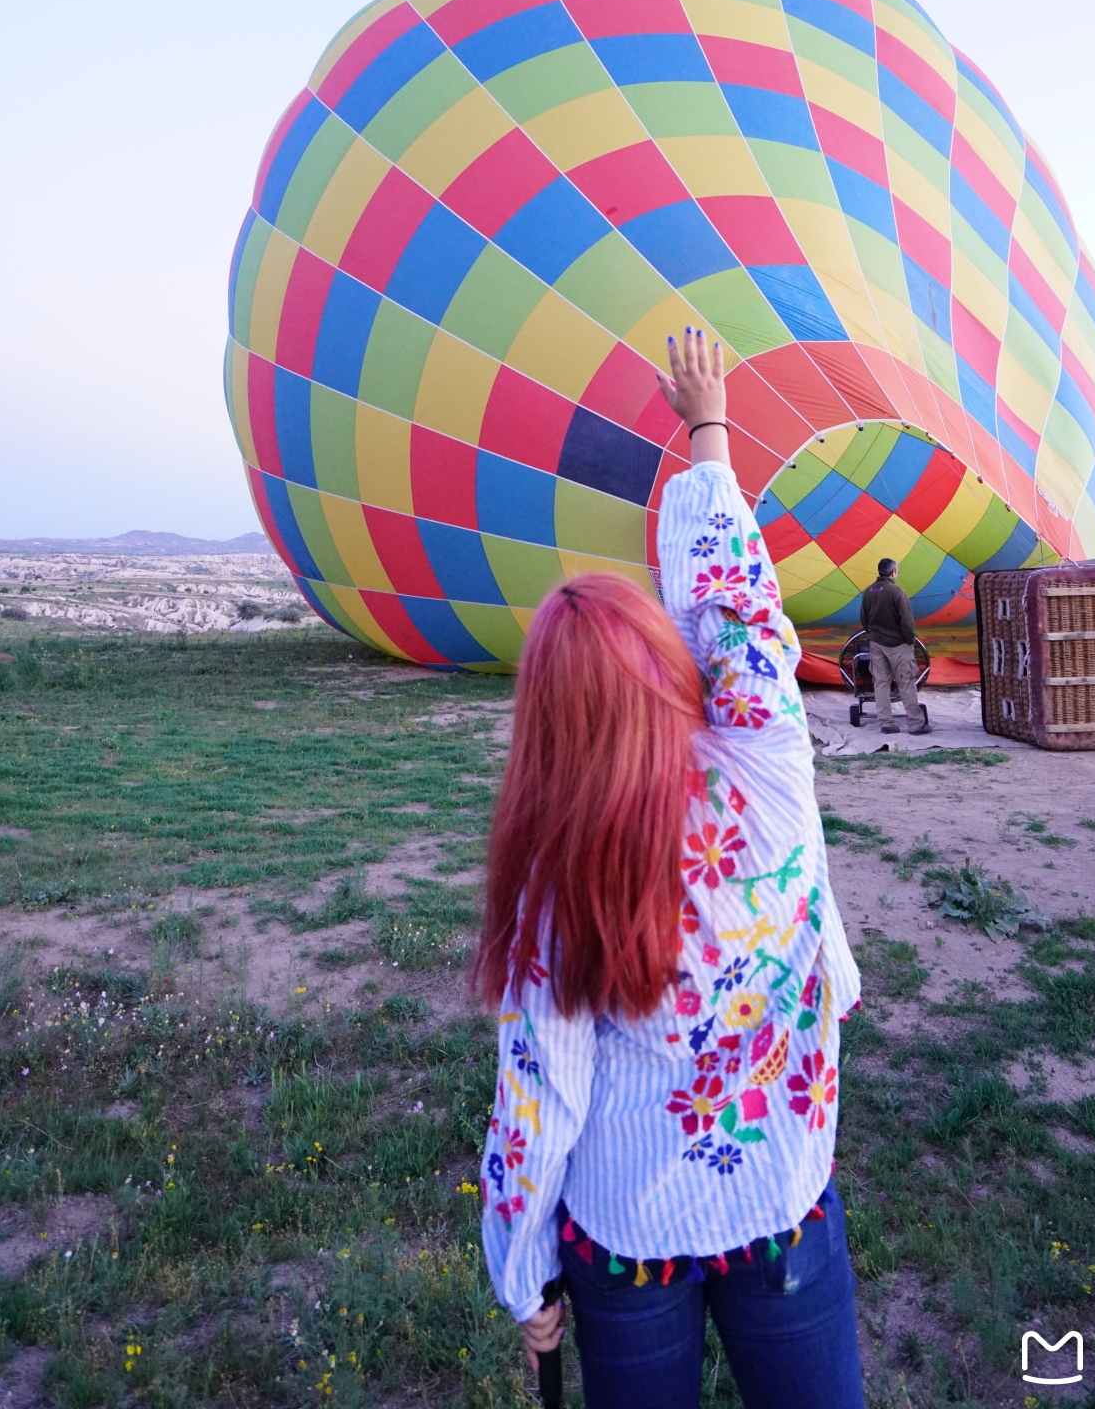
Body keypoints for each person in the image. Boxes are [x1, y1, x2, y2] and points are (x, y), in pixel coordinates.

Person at [476, 327, 865, 1409]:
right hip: (782, 1195)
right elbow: (739, 611)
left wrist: (523, 1270)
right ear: (665, 664)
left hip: (627, 1234)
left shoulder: (559, 875)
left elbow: (538, 1096)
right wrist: (708, 427)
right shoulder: (767, 758)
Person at [859, 558, 928, 735]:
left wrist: (872, 634)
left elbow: (864, 619)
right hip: (898, 645)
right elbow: (907, 622)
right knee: (906, 683)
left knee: (880, 684)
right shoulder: (897, 593)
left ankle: (886, 724)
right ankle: (916, 724)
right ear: (893, 573)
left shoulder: (869, 592)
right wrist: (909, 640)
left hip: (876, 644)